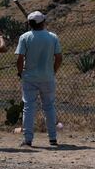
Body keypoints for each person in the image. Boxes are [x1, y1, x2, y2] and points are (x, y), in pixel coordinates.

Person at [15, 11, 62, 147]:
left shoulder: (24, 37)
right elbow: (58, 57)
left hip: (29, 77)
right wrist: (53, 71)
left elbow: (20, 59)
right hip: (47, 77)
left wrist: (20, 73)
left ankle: (28, 139)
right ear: (43, 22)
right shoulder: (52, 37)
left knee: (29, 107)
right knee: (49, 107)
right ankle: (52, 138)